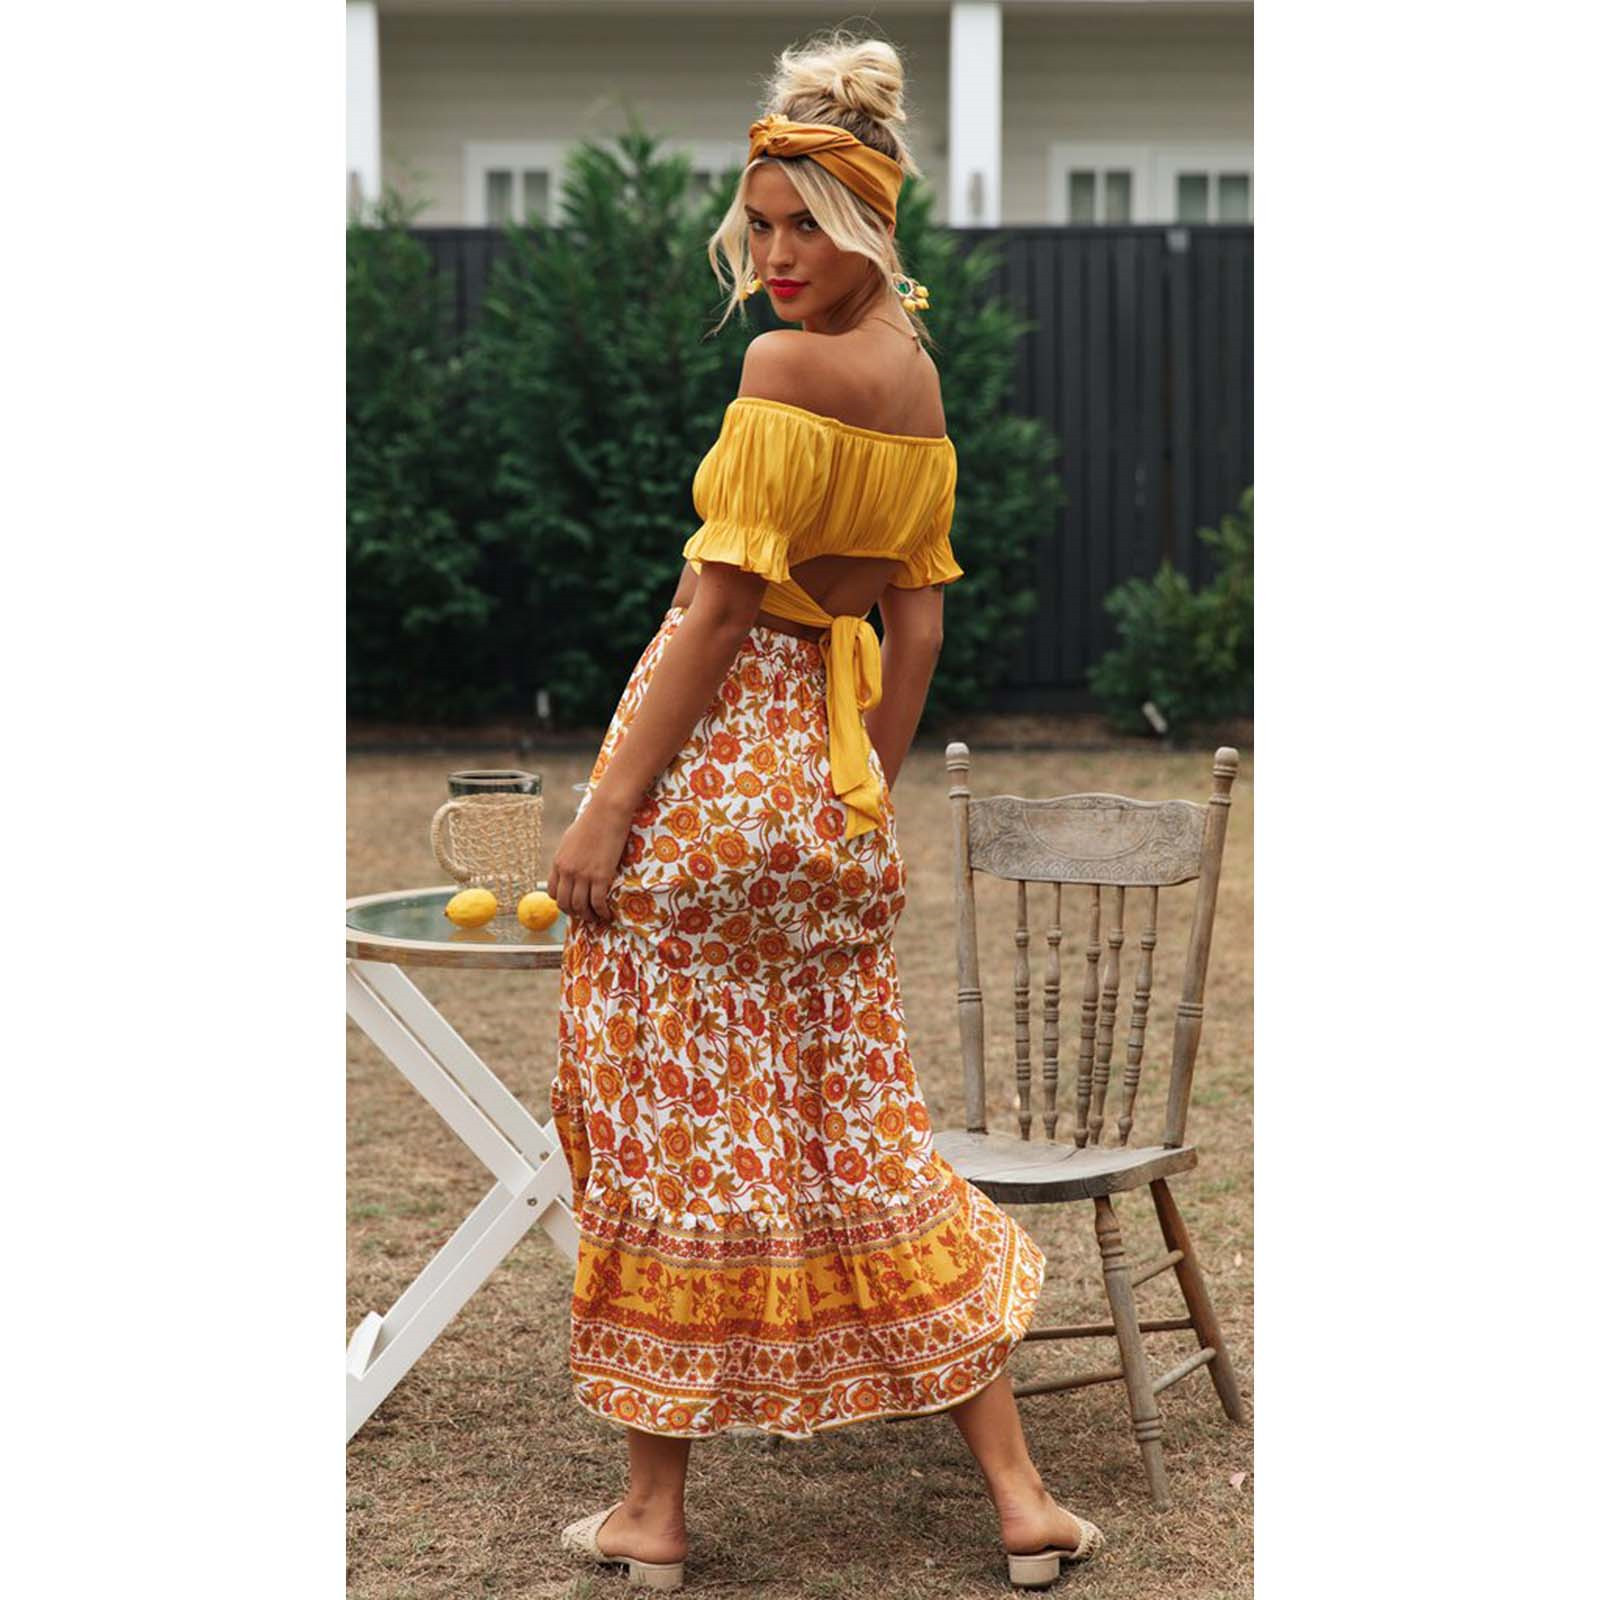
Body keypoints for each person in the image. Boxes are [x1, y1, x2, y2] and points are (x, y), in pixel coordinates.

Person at [547, 29, 1103, 1593]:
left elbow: (717, 611)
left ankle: (652, 1514)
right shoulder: (914, 375)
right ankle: (1021, 1502)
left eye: (809, 227)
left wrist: (606, 811)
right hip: (826, 779)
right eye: (762, 226)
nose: (779, 258)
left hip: (710, 772)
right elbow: (916, 617)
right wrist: (854, 790)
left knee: (668, 1125)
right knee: (856, 1130)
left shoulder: (782, 373)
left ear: (870, 223)